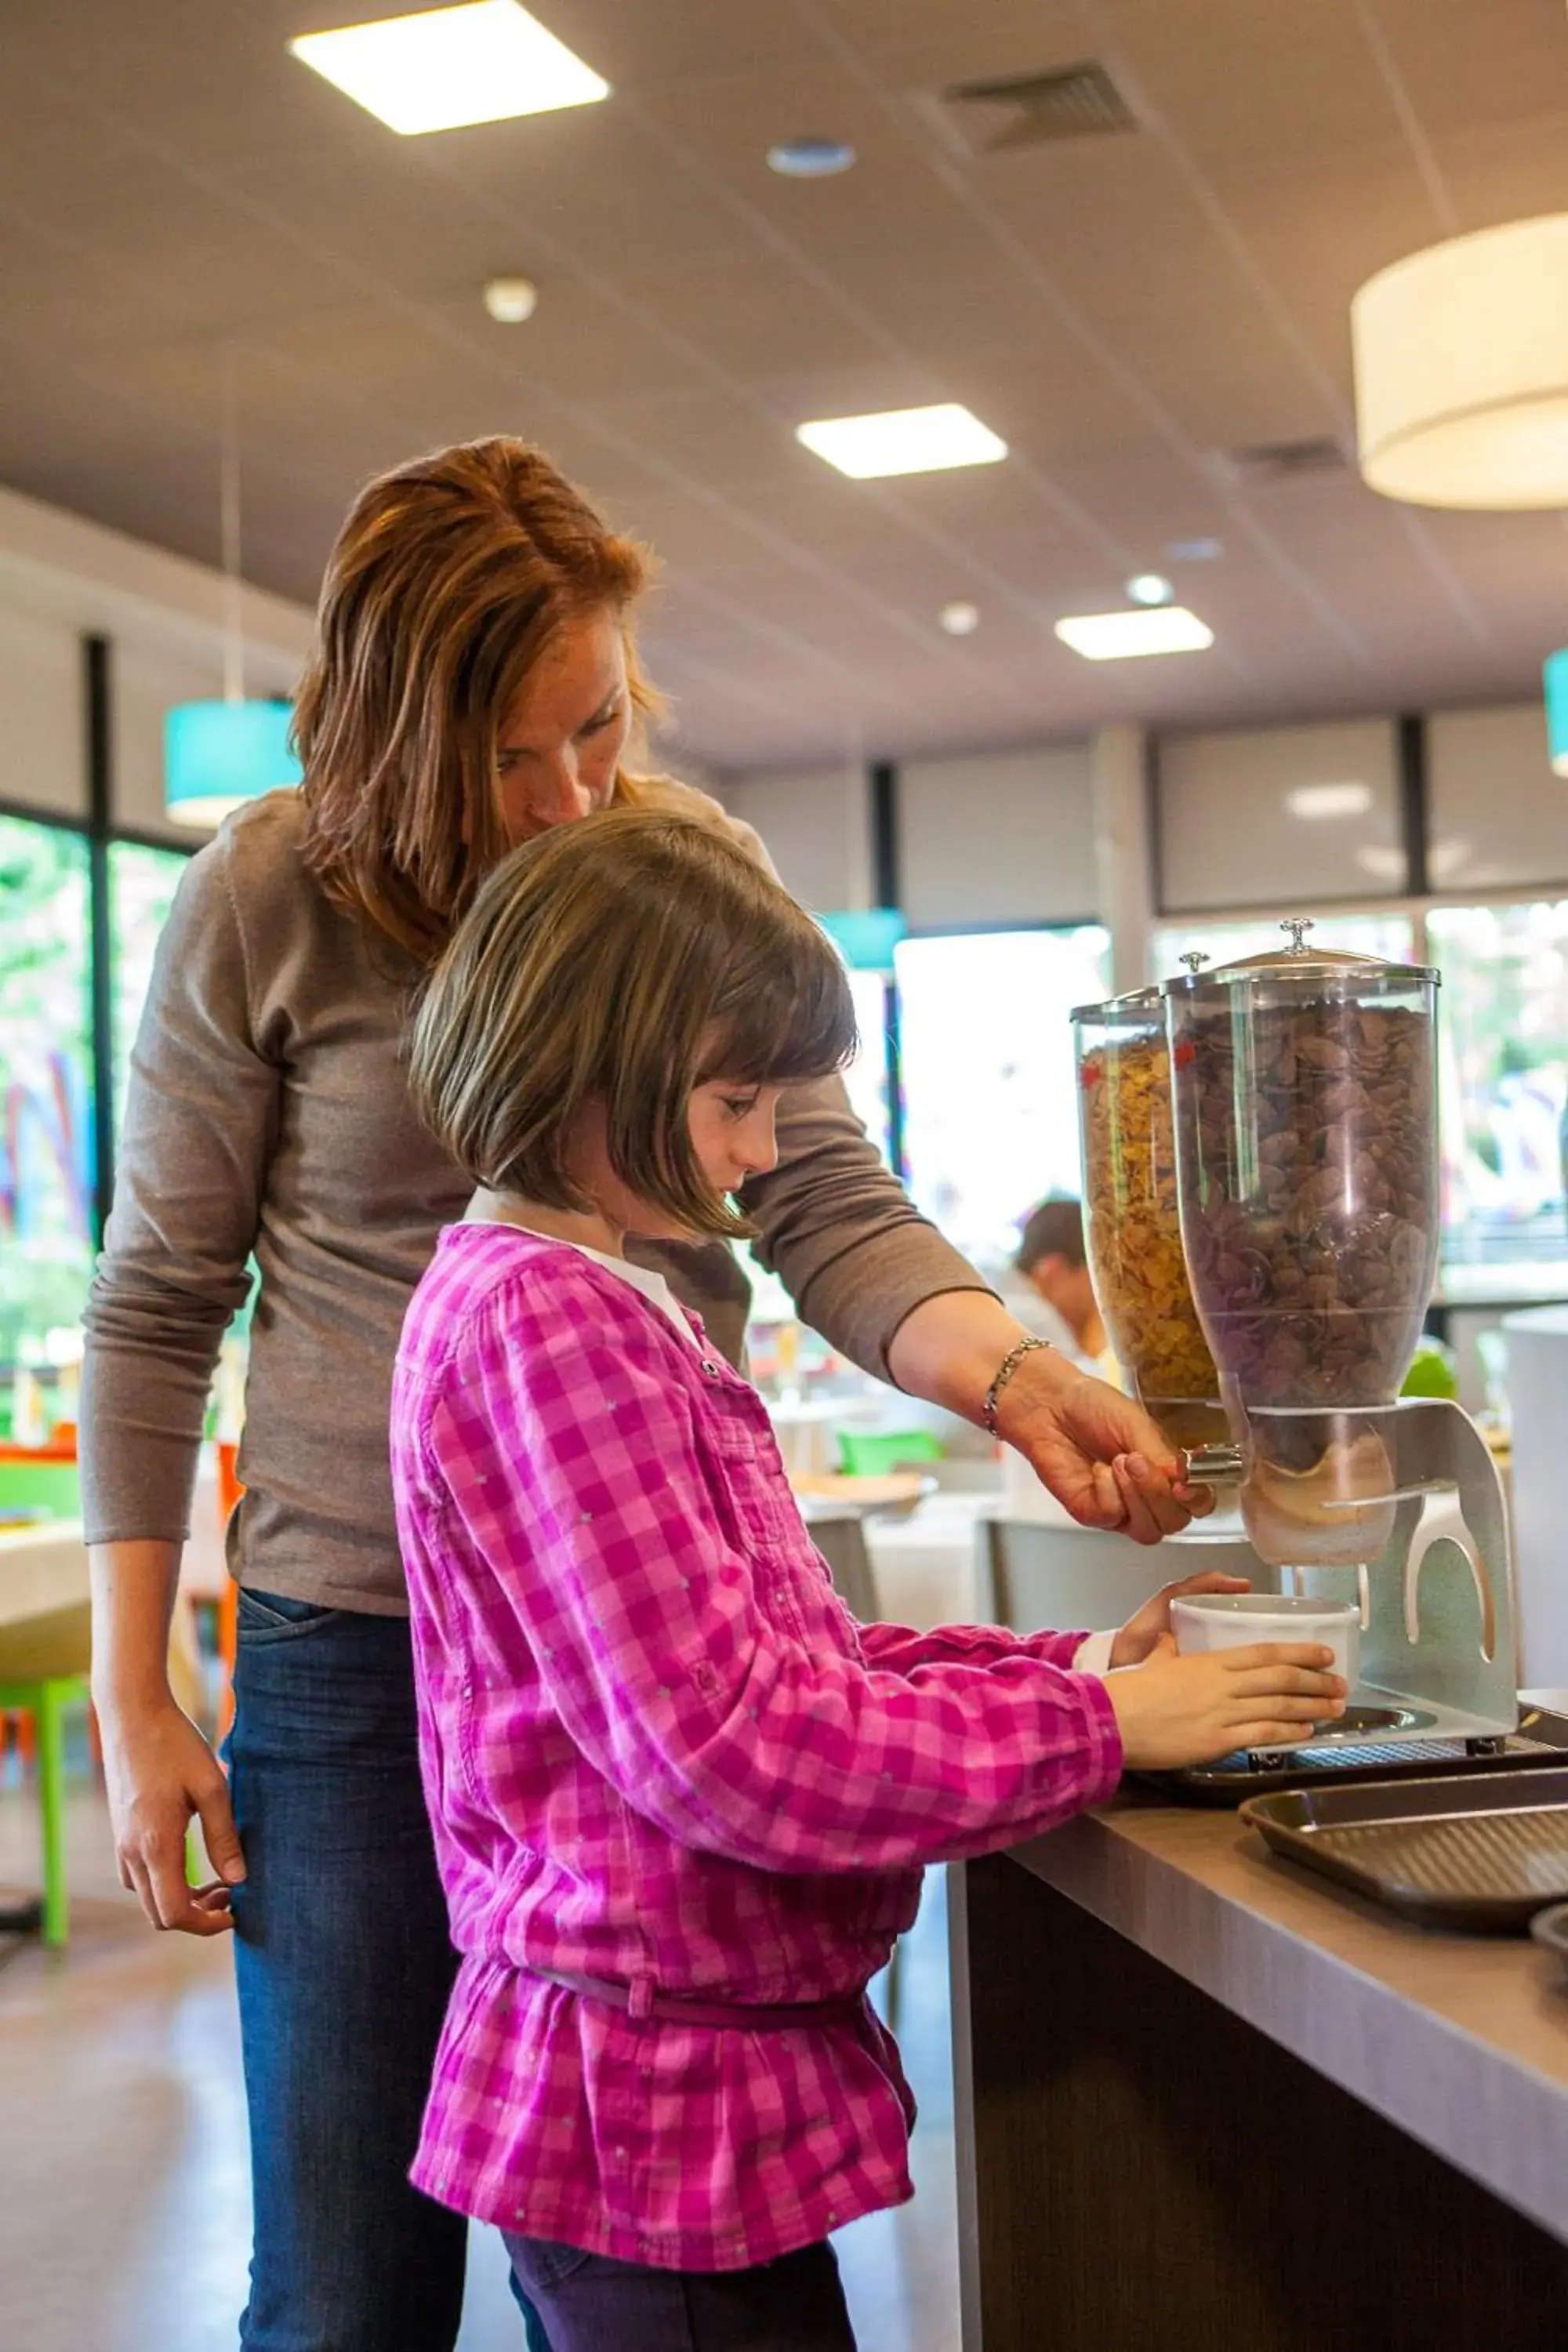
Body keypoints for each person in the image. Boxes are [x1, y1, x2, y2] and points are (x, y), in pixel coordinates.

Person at [82, 436, 1202, 2352]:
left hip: (636, 1627)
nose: (566, 796)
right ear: (387, 735)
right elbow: (159, 1298)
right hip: (355, 1641)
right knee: (346, 2282)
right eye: (505, 757)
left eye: (595, 725)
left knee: (626, 2201)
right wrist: (134, 1689)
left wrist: (1015, 1374)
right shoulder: (263, 891)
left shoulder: (676, 870)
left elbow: (820, 1198)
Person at [391, 809, 1347, 2351]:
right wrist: (1104, 1731)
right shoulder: (548, 1323)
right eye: (736, 1100)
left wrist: (1081, 1670)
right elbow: (736, 1747)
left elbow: (792, 1661)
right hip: (651, 2114)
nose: (766, 1154)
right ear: (588, 1060)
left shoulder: (584, 1295)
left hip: (668, 2094)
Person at [1004, 1195, 1112, 1374]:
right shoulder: (1031, 1318)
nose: (1099, 1296)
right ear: (1052, 1270)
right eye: (1095, 1276)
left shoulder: (1006, 1297)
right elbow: (1090, 1385)